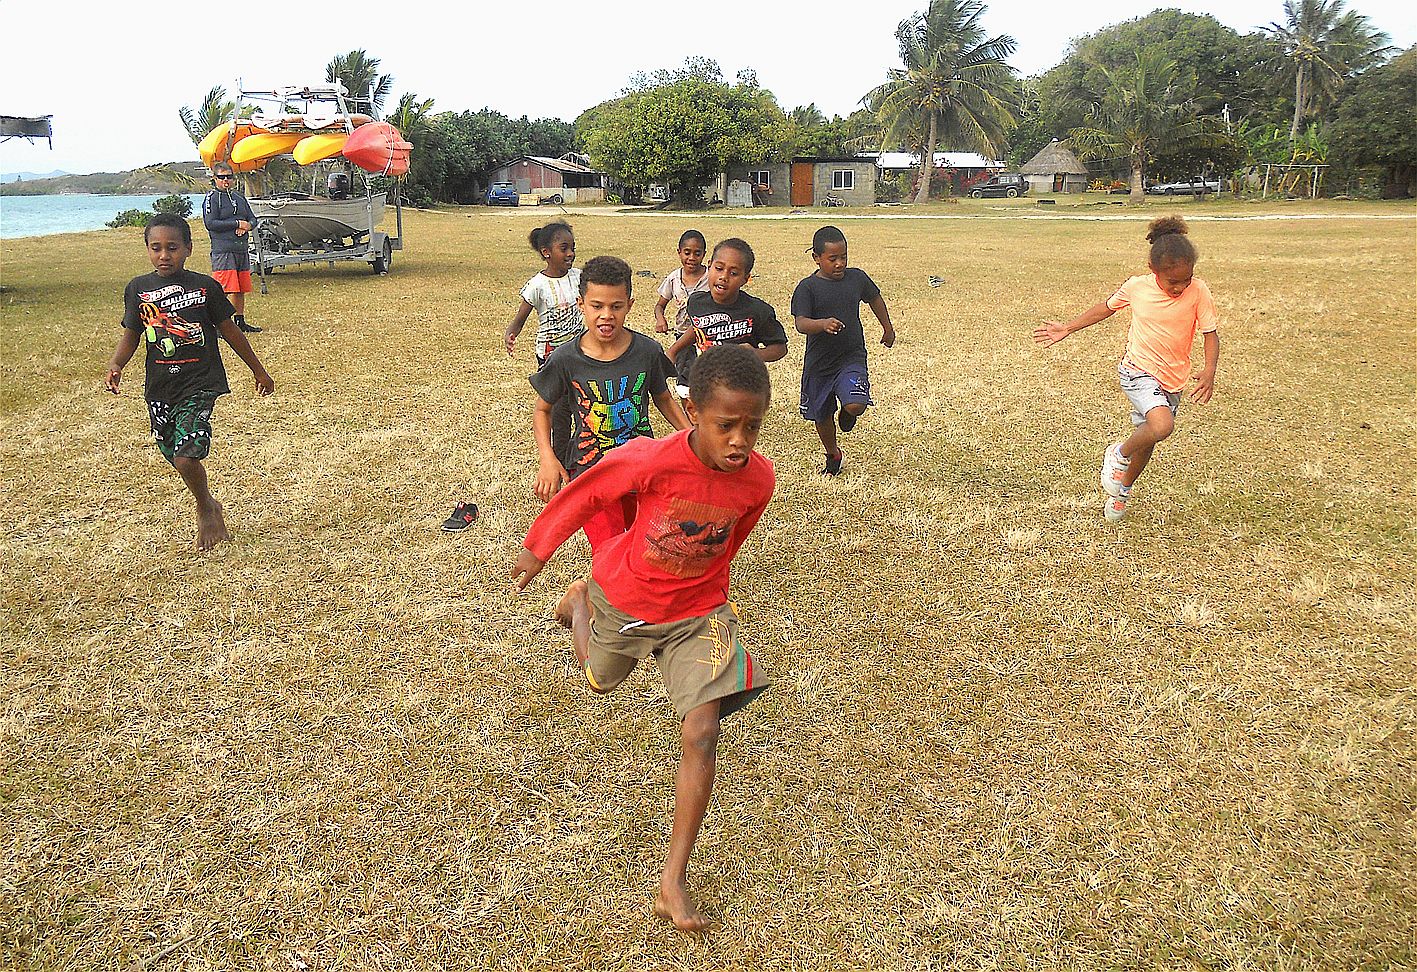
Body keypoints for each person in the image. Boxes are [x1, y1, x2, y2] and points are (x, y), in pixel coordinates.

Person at [511, 343, 775, 933]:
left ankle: (672, 880)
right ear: (694, 415)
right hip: (624, 598)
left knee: (702, 731)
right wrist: (538, 548)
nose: (739, 440)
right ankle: (579, 604)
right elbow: (588, 492)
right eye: (725, 425)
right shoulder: (651, 459)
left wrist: (712, 591)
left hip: (699, 612)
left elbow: (732, 536)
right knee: (601, 679)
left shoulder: (759, 478)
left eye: (751, 426)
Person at [103, 214, 275, 550]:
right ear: (148, 250)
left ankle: (205, 508)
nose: (164, 255)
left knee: (185, 455)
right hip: (160, 387)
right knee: (172, 451)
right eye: (156, 248)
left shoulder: (204, 286)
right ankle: (208, 499)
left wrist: (258, 370)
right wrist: (116, 363)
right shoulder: (138, 289)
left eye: (172, 247)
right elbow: (132, 334)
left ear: (188, 249)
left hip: (201, 382)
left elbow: (229, 330)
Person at [1033, 215, 1220, 522]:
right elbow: (1105, 308)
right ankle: (1117, 454)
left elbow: (1210, 334)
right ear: (1153, 271)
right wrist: (1068, 327)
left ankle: (1122, 490)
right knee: (1162, 426)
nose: (1180, 288)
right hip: (1137, 370)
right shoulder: (1137, 287)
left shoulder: (1198, 291)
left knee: (1148, 438)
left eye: (1186, 280)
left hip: (1173, 379)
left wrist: (1210, 369)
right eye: (1173, 282)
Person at [530, 255, 690, 548]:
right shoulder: (565, 359)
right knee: (609, 547)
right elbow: (542, 410)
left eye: (616, 306)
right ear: (581, 304)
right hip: (590, 472)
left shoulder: (647, 351)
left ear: (629, 304)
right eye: (597, 306)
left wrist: (692, 438)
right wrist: (547, 458)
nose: (607, 315)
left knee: (642, 543)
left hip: (640, 469)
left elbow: (663, 398)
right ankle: (603, 593)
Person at [791, 226, 896, 476]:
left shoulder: (857, 278)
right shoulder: (807, 288)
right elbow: (801, 323)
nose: (839, 264)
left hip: (851, 356)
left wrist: (887, 328)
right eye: (832, 259)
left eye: (843, 257)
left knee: (856, 404)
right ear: (816, 258)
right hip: (819, 364)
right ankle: (832, 454)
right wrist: (822, 324)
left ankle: (848, 412)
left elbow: (875, 298)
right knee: (821, 415)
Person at [504, 220, 583, 466]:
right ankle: (560, 462)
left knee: (583, 409)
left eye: (573, 247)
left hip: (581, 355)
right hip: (551, 360)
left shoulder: (579, 277)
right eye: (564, 248)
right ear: (546, 252)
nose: (570, 253)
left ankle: (582, 457)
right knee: (560, 415)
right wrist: (511, 332)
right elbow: (522, 315)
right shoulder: (537, 285)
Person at [666, 238, 788, 369]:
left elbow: (780, 348)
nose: (724, 277)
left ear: (745, 279)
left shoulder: (757, 310)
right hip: (707, 379)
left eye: (734, 273)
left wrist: (755, 354)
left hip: (742, 384)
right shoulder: (696, 303)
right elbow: (698, 327)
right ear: (709, 266)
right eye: (719, 268)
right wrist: (673, 350)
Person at [202, 161, 260, 333]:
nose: (226, 181)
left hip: (241, 248)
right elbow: (210, 223)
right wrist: (236, 224)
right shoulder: (212, 199)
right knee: (224, 289)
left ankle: (240, 321)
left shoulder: (239, 197)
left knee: (240, 288)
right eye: (221, 177)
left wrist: (247, 226)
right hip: (223, 249)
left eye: (229, 177)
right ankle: (218, 324)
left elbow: (253, 219)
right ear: (215, 179)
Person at [653, 229, 709, 397]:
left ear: (704, 254)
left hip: (706, 336)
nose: (691, 258)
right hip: (682, 336)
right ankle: (689, 418)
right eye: (687, 253)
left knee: (706, 375)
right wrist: (660, 319)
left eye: (697, 253)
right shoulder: (674, 279)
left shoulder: (710, 277)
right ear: (679, 252)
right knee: (685, 381)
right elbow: (659, 306)